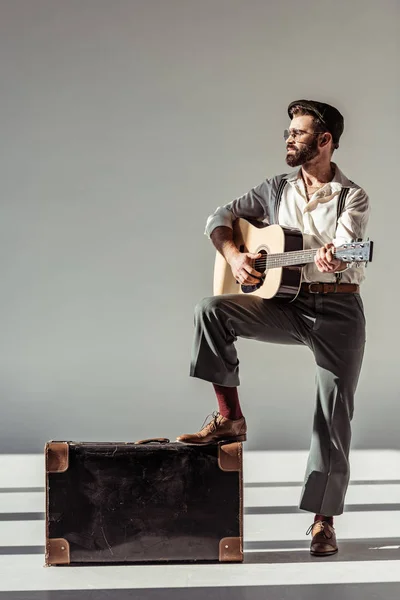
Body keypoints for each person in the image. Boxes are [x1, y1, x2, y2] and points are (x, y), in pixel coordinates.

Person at [176, 99, 371, 556]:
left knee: (333, 415)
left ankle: (323, 522)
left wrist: (333, 255)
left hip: (338, 310)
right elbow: (218, 218)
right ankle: (229, 418)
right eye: (288, 131)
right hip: (286, 303)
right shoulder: (273, 189)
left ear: (325, 141)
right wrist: (236, 256)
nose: (288, 138)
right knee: (212, 309)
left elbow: (349, 245)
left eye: (299, 133)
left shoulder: (351, 196)